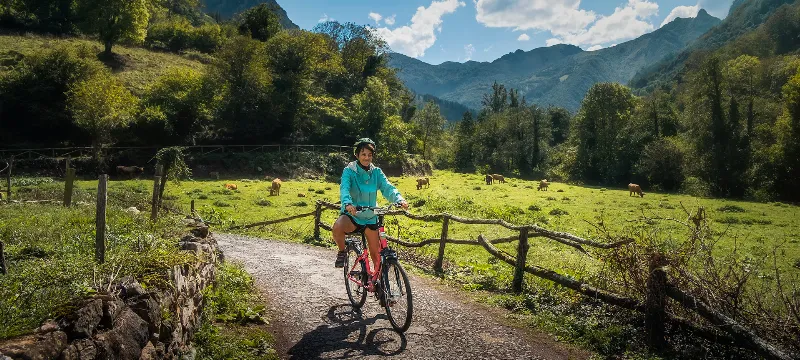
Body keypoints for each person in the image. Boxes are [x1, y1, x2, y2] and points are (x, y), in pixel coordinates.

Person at [332, 138, 408, 276]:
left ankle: (379, 282)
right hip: (353, 215)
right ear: (357, 155)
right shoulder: (349, 171)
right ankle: (342, 251)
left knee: (376, 254)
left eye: (369, 155)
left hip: (371, 216)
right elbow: (344, 188)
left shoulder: (376, 172)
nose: (367, 158)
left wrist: (399, 199)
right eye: (363, 154)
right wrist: (348, 203)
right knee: (338, 227)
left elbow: (387, 187)